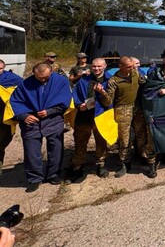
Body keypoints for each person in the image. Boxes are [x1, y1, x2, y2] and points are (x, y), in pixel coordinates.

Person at [9, 63, 71, 192]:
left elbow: (65, 100)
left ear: (51, 73)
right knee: (32, 151)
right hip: (31, 122)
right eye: (40, 77)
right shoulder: (25, 84)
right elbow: (15, 101)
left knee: (56, 149)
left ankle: (54, 175)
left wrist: (50, 111)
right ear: (33, 73)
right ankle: (35, 178)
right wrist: (23, 115)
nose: (43, 80)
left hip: (53, 119)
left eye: (46, 77)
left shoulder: (60, 81)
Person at [100, 56, 148, 178]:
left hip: (137, 108)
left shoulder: (135, 73)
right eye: (129, 67)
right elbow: (107, 101)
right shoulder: (113, 81)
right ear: (120, 66)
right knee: (124, 138)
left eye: (133, 66)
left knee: (141, 133)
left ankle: (142, 155)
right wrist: (102, 93)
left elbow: (144, 83)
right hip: (122, 110)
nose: (132, 68)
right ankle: (124, 162)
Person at [66, 58, 111, 181]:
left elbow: (112, 100)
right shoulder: (84, 80)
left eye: (99, 66)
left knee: (101, 140)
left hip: (101, 115)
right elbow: (75, 95)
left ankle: (100, 164)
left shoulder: (110, 80)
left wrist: (102, 93)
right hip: (84, 115)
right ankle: (78, 166)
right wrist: (79, 105)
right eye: (94, 66)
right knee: (80, 140)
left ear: (105, 66)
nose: (96, 69)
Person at [0, 59, 22, 176]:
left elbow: (22, 89)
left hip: (3, 117)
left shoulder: (11, 78)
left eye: (0, 68)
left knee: (1, 143)